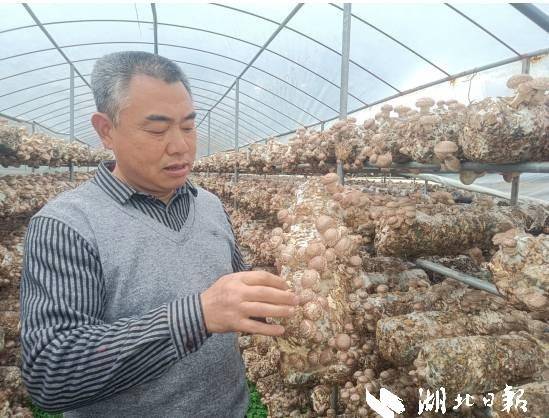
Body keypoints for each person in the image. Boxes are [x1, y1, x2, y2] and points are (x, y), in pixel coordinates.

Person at [19, 51, 298, 418]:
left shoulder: (210, 206)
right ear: (106, 130)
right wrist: (198, 315)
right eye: (156, 130)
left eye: (188, 126)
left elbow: (235, 292)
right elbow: (50, 375)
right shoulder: (67, 225)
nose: (180, 146)